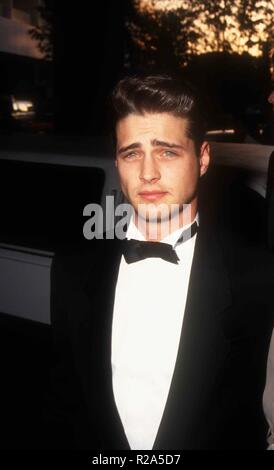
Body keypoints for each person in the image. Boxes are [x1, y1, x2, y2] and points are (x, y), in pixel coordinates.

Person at [44, 74, 273, 450]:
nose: (148, 173)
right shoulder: (73, 268)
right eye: (131, 152)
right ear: (116, 162)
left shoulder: (258, 276)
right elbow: (63, 402)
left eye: (167, 151)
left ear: (202, 159)